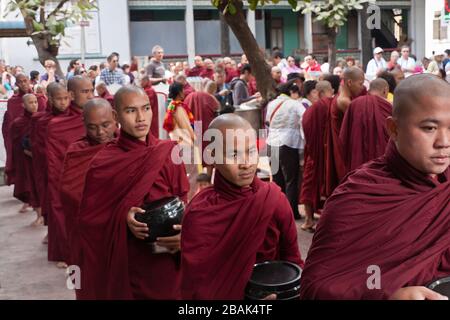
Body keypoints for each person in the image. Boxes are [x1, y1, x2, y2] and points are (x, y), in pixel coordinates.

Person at [300, 74, 450, 300]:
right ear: (393, 128)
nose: (444, 142)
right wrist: (387, 295)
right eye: (429, 128)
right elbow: (316, 287)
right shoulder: (356, 197)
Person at [74, 86, 189, 299]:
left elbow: (182, 200)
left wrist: (185, 233)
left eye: (146, 108)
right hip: (130, 262)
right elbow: (89, 222)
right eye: (130, 111)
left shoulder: (168, 151)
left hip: (167, 258)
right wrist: (122, 217)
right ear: (116, 116)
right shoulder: (103, 163)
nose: (140, 118)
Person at [180, 113, 303, 299]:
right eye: (234, 154)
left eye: (251, 151)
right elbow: (197, 288)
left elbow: (293, 262)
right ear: (213, 156)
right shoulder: (201, 211)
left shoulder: (273, 199)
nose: (246, 163)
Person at [60, 98, 117, 267]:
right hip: (91, 229)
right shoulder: (78, 151)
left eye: (105, 125)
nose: (100, 132)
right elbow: (69, 191)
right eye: (92, 127)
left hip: (125, 228)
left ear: (115, 117)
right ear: (83, 123)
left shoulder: (129, 146)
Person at [45, 76, 93, 268]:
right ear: (71, 95)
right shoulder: (57, 126)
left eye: (91, 90)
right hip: (73, 183)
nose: (90, 96)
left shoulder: (101, 114)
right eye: (85, 92)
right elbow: (55, 161)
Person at [30, 83, 71, 243]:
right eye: (59, 99)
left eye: (65, 98)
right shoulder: (42, 121)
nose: (63, 103)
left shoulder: (76, 117)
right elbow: (37, 147)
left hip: (71, 169)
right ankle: (55, 237)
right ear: (50, 100)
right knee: (54, 204)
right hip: (50, 170)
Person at [266, 80, 306, 219]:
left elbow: (267, 121)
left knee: (277, 180)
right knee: (291, 180)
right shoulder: (296, 104)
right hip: (288, 144)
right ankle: (291, 213)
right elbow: (305, 120)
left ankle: (278, 212)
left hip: (272, 143)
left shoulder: (272, 104)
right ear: (292, 92)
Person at [339, 78, 392, 175]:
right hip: (381, 158)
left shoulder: (354, 104)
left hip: (357, 157)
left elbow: (344, 134)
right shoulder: (388, 106)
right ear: (385, 90)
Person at [2, 74, 47, 187]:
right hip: (20, 139)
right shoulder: (12, 102)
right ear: (16, 84)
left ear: (29, 81)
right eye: (20, 82)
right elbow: (9, 124)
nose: (23, 84)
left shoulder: (40, 98)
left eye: (25, 81)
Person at [7, 94, 40, 219]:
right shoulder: (18, 123)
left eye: (36, 102)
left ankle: (40, 214)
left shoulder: (41, 120)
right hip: (25, 159)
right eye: (31, 102)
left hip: (38, 159)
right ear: (23, 105)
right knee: (29, 183)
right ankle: (36, 211)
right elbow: (15, 145)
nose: (34, 105)